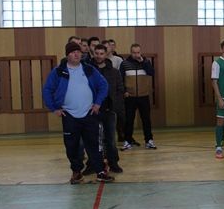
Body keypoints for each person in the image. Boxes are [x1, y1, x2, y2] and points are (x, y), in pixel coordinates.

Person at [43, 41, 114, 184]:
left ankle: (100, 171)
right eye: (72, 52)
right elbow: (47, 90)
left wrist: (98, 103)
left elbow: (103, 85)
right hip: (69, 116)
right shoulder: (58, 72)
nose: (76, 54)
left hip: (89, 114)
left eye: (78, 52)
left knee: (95, 145)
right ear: (67, 55)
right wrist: (54, 108)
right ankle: (76, 173)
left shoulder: (89, 69)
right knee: (72, 146)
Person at [92, 44, 124, 174]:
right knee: (94, 139)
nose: (99, 56)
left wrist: (114, 105)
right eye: (97, 53)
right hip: (92, 110)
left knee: (110, 139)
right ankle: (93, 164)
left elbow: (120, 90)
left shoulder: (114, 72)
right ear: (93, 54)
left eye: (101, 53)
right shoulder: (88, 71)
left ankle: (113, 163)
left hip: (109, 110)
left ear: (106, 55)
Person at [121, 44, 156, 150]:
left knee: (146, 120)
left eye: (138, 52)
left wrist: (143, 62)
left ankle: (149, 141)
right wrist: (124, 91)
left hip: (143, 96)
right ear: (130, 52)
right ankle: (127, 141)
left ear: (140, 52)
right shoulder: (124, 63)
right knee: (129, 120)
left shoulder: (146, 62)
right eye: (134, 52)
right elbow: (120, 79)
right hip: (130, 96)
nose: (136, 55)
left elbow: (152, 73)